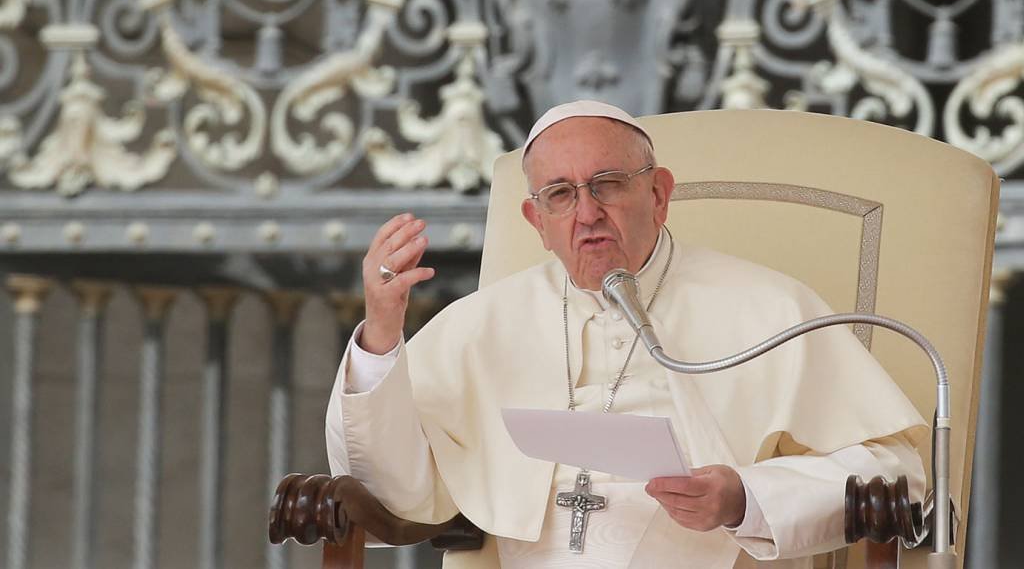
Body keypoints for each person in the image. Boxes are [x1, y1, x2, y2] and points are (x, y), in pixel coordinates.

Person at [326, 100, 928, 568]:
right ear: (538, 221)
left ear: (659, 194)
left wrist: (746, 495)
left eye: (608, 184)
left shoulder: (768, 306)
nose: (586, 213)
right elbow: (393, 489)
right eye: (560, 195)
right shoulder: (480, 323)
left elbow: (897, 476)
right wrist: (382, 332)